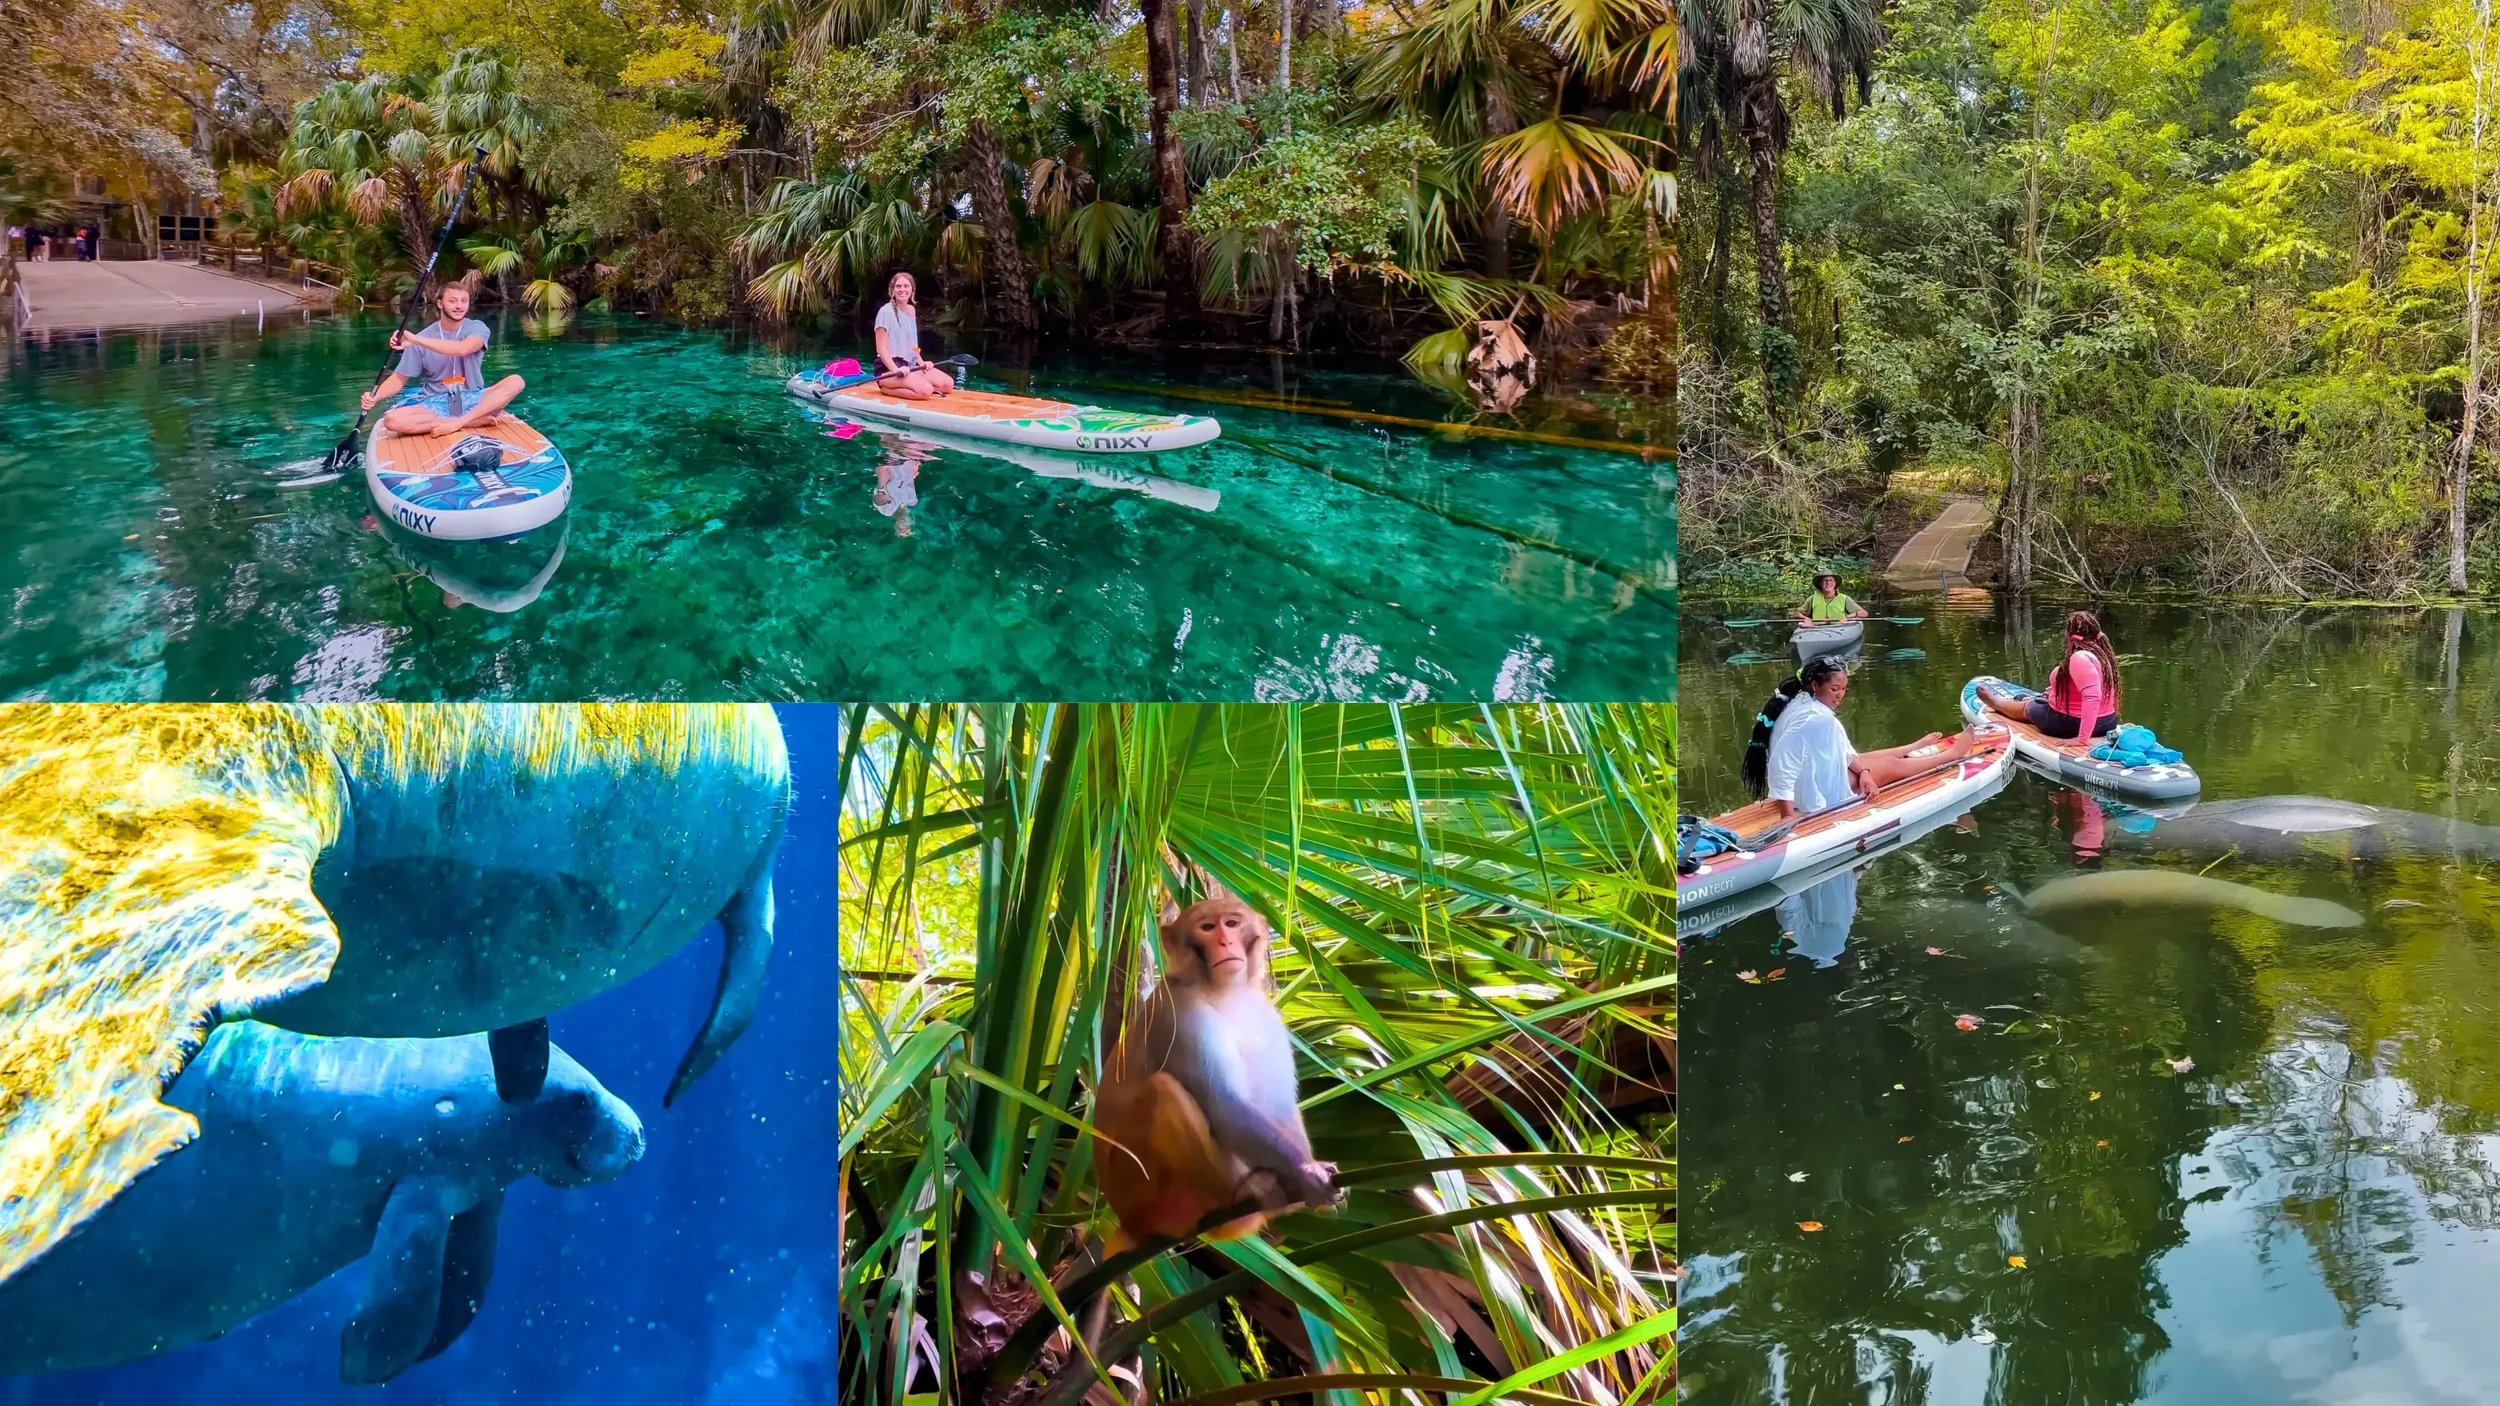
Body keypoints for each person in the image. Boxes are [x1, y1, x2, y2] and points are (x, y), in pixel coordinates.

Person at [1744, 656, 1982, 818]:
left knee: (1863, 760)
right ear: (1815, 685)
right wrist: (1788, 816)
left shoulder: (1797, 700)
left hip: (1809, 779)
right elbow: (1780, 765)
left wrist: (1865, 772)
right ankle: (1951, 755)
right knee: (1890, 765)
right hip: (1812, 795)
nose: (1840, 696)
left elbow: (1845, 752)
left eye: (1844, 689)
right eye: (1834, 689)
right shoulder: (1815, 717)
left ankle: (1911, 748)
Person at [361, 282, 526, 438]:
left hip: (473, 397)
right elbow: (399, 378)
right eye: (453, 301)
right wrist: (375, 397)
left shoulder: (477, 328)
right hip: (435, 401)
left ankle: (459, 422)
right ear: (440, 304)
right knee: (392, 420)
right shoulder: (421, 337)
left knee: (516, 381)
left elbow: (463, 349)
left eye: (464, 301)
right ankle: (471, 422)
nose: (459, 306)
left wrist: (416, 340)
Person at [1976, 610, 2121, 741]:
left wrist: (2082, 739)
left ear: (2070, 634)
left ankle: (1995, 703)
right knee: (2042, 699)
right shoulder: (2103, 654)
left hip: (2070, 724)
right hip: (2108, 721)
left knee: (2030, 706)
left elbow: (2092, 697)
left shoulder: (2080, 657)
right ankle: (2038, 698)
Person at [872, 271, 953, 400]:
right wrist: (894, 370)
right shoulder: (885, 312)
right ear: (892, 290)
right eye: (898, 286)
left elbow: (912, 345)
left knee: (947, 385)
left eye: (906, 286)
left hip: (910, 366)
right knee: (925, 391)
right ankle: (885, 387)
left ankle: (913, 381)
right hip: (888, 369)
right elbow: (881, 349)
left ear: (912, 290)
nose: (902, 290)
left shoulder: (911, 310)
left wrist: (922, 363)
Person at [1794, 572, 1868, 624]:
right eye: (1825, 580)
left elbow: (1864, 613)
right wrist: (1807, 619)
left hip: (1839, 628)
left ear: (1835, 583)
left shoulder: (1844, 598)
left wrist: (1848, 617)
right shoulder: (1812, 598)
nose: (1828, 583)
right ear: (1820, 583)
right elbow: (1797, 613)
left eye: (1830, 580)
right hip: (1816, 629)